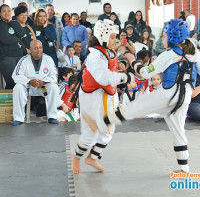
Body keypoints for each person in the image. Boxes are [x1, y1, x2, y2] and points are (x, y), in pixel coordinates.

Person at [84, 19, 200, 173]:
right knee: (179, 131)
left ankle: (102, 122)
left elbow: (145, 74)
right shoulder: (195, 53)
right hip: (184, 99)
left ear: (172, 37)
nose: (162, 39)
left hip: (167, 96)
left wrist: (133, 61)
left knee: (133, 109)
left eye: (164, 36)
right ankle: (184, 169)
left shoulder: (168, 55)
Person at [71, 19, 135, 174]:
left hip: (107, 95)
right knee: (90, 136)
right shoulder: (95, 55)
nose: (116, 40)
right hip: (91, 97)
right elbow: (102, 77)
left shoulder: (109, 51)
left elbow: (108, 68)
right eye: (112, 37)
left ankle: (92, 158)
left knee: (108, 131)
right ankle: (76, 157)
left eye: (115, 37)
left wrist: (118, 66)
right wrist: (124, 78)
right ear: (103, 37)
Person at [11, 40, 62, 125]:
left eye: (40, 48)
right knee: (18, 88)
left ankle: (52, 116)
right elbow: (15, 76)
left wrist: (44, 82)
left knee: (54, 87)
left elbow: (54, 75)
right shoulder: (24, 60)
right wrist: (29, 81)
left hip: (43, 88)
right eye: (35, 48)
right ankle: (18, 118)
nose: (39, 50)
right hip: (28, 88)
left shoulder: (48, 59)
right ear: (30, 49)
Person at [0, 4, 26, 89]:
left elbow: (22, 33)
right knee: (11, 82)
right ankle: (9, 102)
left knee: (20, 81)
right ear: (0, 13)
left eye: (8, 11)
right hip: (6, 58)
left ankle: (20, 102)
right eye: (4, 11)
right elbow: (6, 40)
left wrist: (11, 22)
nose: (7, 13)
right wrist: (18, 38)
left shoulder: (14, 23)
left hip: (19, 56)